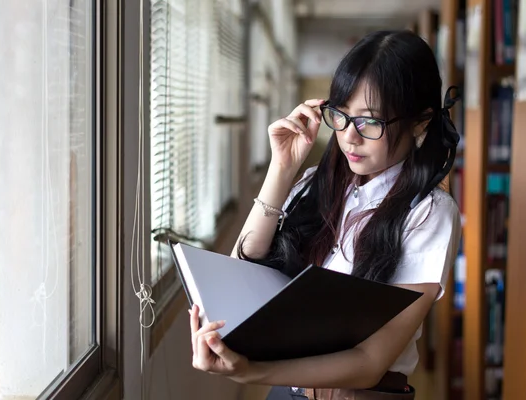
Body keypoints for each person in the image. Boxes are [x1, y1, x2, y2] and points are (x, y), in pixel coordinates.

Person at [188, 29, 462, 399]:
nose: (349, 136)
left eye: (370, 122)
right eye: (340, 115)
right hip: (287, 390)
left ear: (420, 122)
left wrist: (251, 371)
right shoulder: (318, 182)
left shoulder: (429, 215)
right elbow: (244, 268)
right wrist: (281, 170)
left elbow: (369, 362)